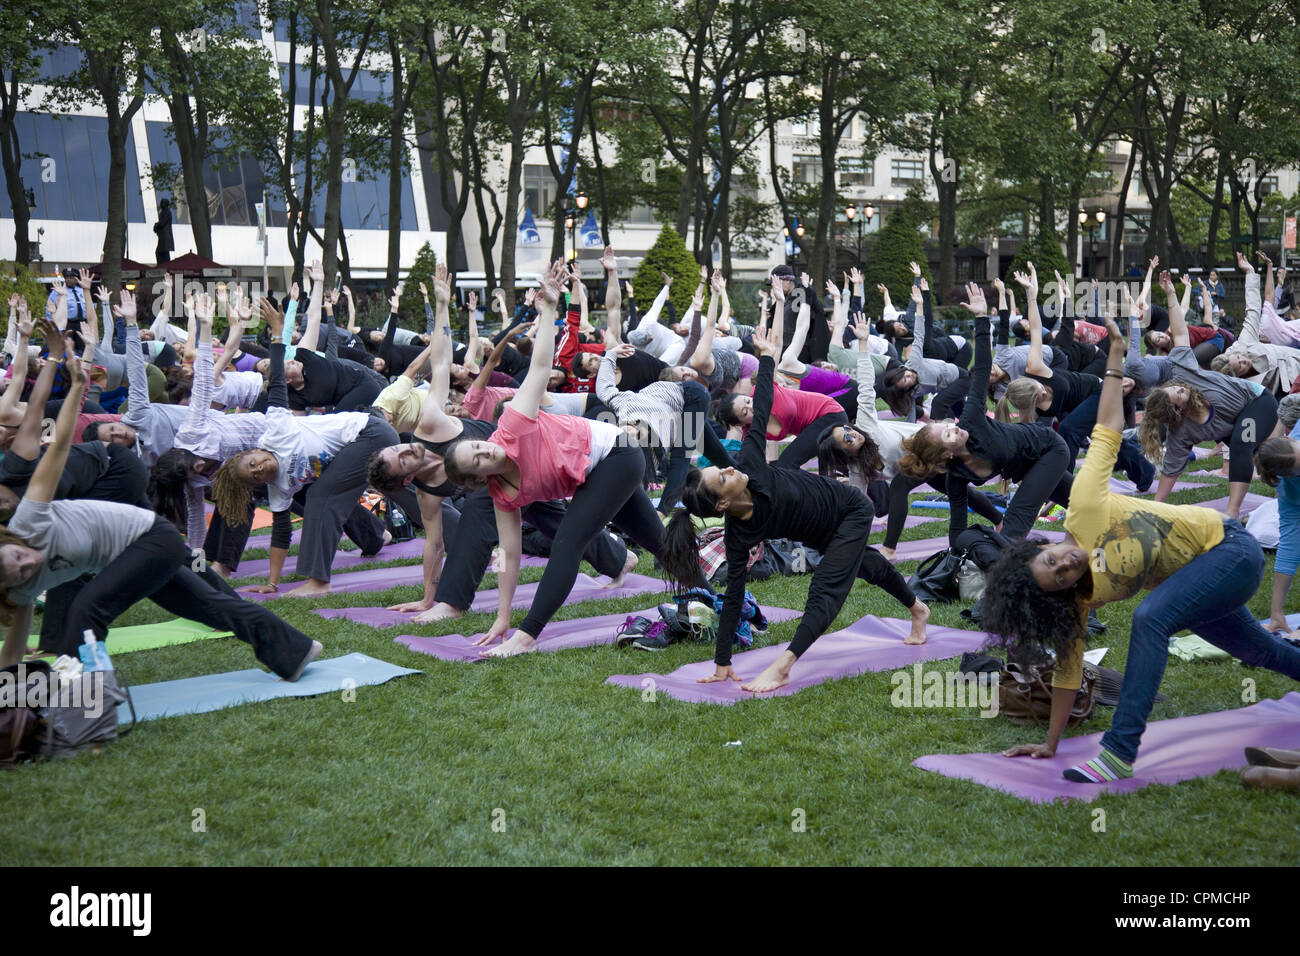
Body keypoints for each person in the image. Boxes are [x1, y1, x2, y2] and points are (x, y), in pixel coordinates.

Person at [983, 313, 1300, 783]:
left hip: (1229, 549)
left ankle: (1119, 752)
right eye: (1063, 579)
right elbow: (1069, 673)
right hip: (1198, 585)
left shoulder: (1085, 506)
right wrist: (1050, 745)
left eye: (1053, 560)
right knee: (1260, 652)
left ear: (1037, 548)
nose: (1069, 566)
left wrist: (1113, 358)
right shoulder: (1076, 599)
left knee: (1150, 617)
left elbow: (1108, 425)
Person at [0, 345, 321, 680]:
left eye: (19, 556)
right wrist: (6, 691)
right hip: (141, 550)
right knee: (208, 607)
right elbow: (12, 648)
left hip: (146, 534)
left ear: (10, 539)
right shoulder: (20, 587)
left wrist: (74, 379)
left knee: (85, 610)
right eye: (20, 572)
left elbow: (61, 441)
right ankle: (295, 650)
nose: (29, 564)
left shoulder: (28, 518)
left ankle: (86, 700)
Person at [660, 326, 928, 694]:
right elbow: (734, 594)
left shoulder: (750, 465)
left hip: (850, 509)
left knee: (825, 588)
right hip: (822, 531)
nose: (728, 467)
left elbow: (765, 400)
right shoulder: (738, 535)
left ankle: (784, 665)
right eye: (722, 476)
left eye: (720, 467)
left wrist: (768, 357)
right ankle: (918, 609)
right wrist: (723, 661)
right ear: (722, 504)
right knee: (864, 564)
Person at [441, 260, 669, 657]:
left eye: (477, 445)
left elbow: (541, 366)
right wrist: (501, 615)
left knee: (568, 542)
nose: (486, 448)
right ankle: (714, 594)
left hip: (617, 453)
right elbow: (509, 557)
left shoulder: (511, 424)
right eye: (478, 459)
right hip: (598, 470)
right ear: (479, 480)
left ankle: (528, 638)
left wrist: (549, 308)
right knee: (661, 544)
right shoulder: (502, 495)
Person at [210, 296, 394, 596]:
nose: (260, 470)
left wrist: (278, 333)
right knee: (328, 491)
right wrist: (272, 583)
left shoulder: (277, 428)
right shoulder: (278, 487)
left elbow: (279, 377)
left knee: (323, 496)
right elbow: (281, 532)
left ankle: (318, 582)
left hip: (368, 431)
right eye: (257, 475)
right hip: (351, 447)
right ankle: (377, 536)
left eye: (254, 464)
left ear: (254, 450)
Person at [898, 282, 1073, 545]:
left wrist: (981, 319)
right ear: (946, 454)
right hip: (1030, 468)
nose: (954, 426)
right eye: (948, 433)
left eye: (949, 425)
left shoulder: (972, 421)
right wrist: (956, 558)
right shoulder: (956, 478)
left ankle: (1001, 576)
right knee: (1088, 501)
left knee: (1014, 524)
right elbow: (957, 525)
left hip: (1049, 449)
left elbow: (980, 370)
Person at [1139, 267, 1281, 520]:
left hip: (1257, 401)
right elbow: (1170, 472)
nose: (1182, 388)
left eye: (1176, 387)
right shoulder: (1182, 434)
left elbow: (1181, 333)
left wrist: (1171, 294)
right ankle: (1289, 487)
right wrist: (1154, 507)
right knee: (1266, 458)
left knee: (1240, 445)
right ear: (1178, 412)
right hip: (1234, 425)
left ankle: (1232, 511)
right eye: (1178, 395)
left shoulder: (1184, 371)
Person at [154, 198, 174, 264]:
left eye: (162, 203)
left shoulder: (167, 212)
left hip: (165, 236)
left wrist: (156, 225)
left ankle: (166, 266)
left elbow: (162, 222)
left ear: (166, 204)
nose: (161, 204)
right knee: (161, 252)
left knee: (162, 252)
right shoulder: (163, 212)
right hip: (162, 236)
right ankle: (163, 266)